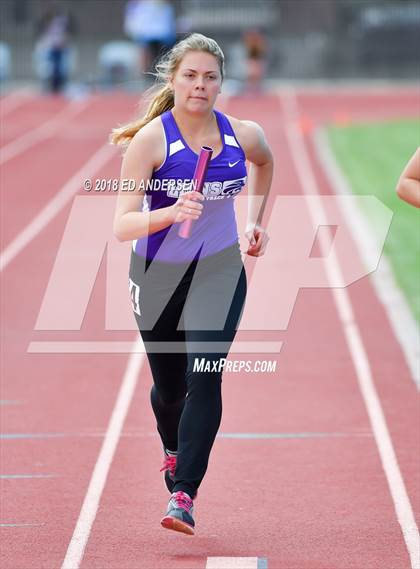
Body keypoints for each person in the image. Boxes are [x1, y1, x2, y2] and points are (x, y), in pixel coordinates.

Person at [111, 33, 273, 535]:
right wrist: (168, 213)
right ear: (173, 79)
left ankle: (184, 493)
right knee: (170, 390)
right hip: (157, 276)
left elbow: (264, 165)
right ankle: (172, 444)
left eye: (209, 77)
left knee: (206, 373)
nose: (200, 86)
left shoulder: (242, 134)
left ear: (222, 82)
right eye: (190, 76)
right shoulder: (151, 141)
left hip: (219, 271)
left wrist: (255, 220)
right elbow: (122, 225)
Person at [124, 0, 176, 76]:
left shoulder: (164, 5)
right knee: (146, 55)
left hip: (161, 35)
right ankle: (145, 75)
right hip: (146, 34)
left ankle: (156, 74)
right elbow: (132, 18)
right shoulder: (137, 4)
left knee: (160, 57)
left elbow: (167, 19)